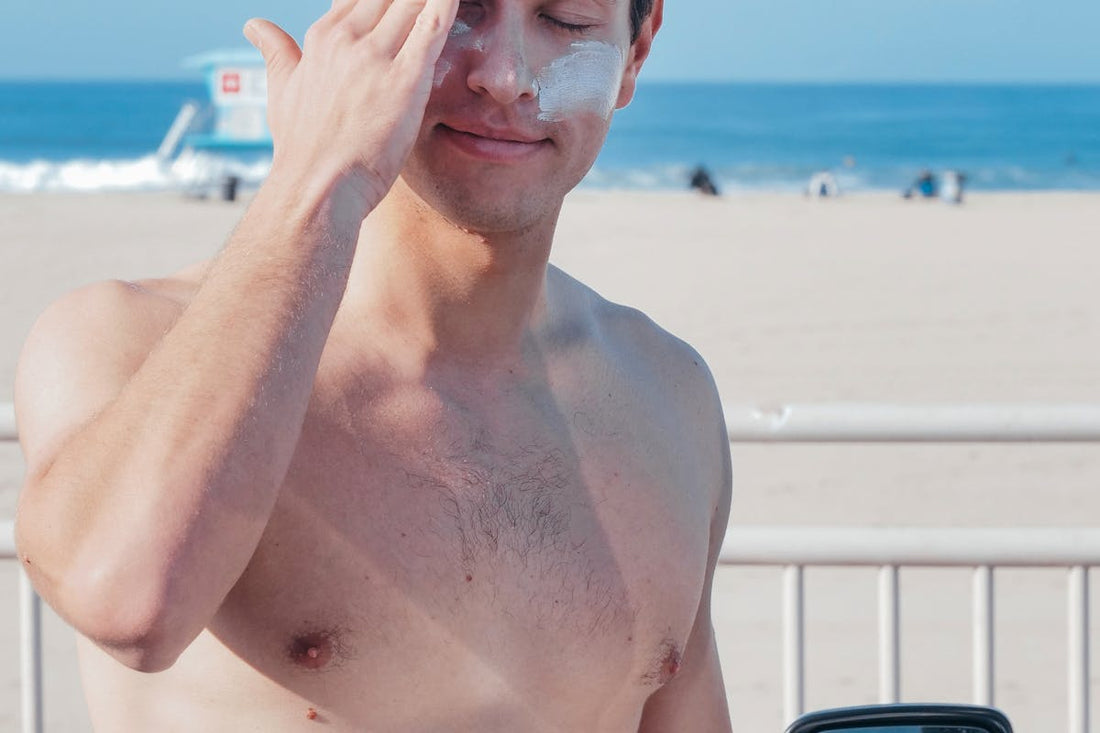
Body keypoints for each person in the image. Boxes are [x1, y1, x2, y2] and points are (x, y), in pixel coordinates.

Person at [13, 0, 733, 730]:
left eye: (568, 20)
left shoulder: (668, 395)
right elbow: (130, 602)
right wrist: (319, 175)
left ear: (636, 53)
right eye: (460, 13)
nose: (507, 75)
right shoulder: (126, 339)